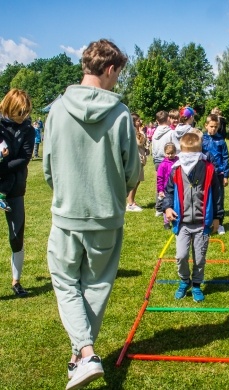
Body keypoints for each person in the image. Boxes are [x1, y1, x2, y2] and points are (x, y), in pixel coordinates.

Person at [43, 38, 140, 390]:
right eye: (119, 74)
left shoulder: (56, 109)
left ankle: (81, 354)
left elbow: (48, 168)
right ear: (110, 69)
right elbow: (133, 171)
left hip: (68, 212)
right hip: (106, 214)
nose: (118, 82)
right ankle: (85, 352)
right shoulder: (120, 113)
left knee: (67, 282)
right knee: (95, 285)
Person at [162, 132, 222, 302]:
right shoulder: (176, 170)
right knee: (181, 256)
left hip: (202, 223)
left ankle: (196, 284)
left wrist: (217, 217)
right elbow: (169, 192)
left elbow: (217, 195)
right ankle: (184, 281)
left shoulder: (209, 169)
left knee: (200, 257)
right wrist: (167, 208)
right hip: (182, 223)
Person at [0, 89, 34, 297]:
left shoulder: (28, 129)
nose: (23, 117)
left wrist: (2, 168)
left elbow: (24, 157)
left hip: (15, 187)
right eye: (20, 113)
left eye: (26, 113)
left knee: (16, 234)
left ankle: (16, 281)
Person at [202, 113, 229, 235]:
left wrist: (226, 175)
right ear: (206, 125)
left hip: (218, 174)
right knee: (205, 198)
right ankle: (205, 222)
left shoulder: (221, 141)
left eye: (215, 127)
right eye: (211, 126)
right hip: (205, 174)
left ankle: (220, 223)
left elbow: (225, 158)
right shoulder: (202, 140)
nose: (213, 129)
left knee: (218, 199)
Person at [126, 113, 148, 212]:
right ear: (134, 122)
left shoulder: (137, 131)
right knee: (134, 181)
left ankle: (132, 201)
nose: (140, 122)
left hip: (140, 157)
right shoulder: (132, 132)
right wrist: (142, 133)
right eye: (138, 120)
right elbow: (139, 142)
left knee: (137, 181)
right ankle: (130, 203)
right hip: (136, 158)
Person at [156, 142, 178, 229]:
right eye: (168, 153)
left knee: (175, 203)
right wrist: (160, 190)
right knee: (166, 204)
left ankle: (175, 218)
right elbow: (160, 178)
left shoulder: (178, 162)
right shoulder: (163, 164)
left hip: (176, 187)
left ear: (175, 152)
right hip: (165, 188)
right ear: (165, 153)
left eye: (172, 153)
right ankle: (166, 222)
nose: (170, 155)